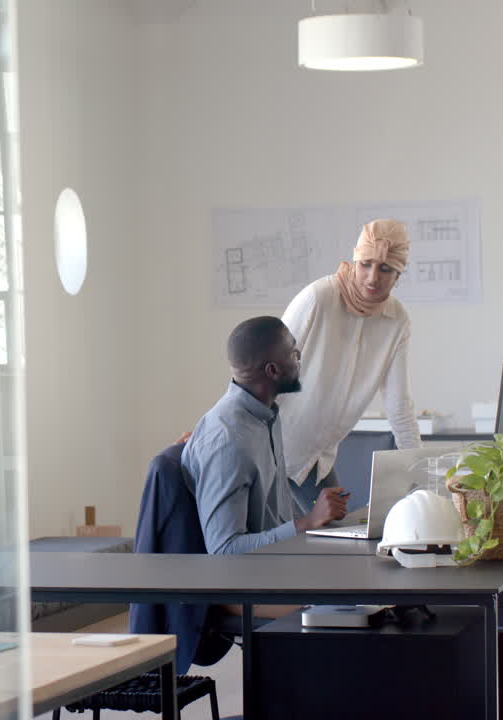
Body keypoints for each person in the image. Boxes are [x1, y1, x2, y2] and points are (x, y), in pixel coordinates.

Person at [279, 218, 422, 515]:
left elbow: (399, 407)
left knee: (338, 537)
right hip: (274, 449)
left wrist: (419, 473)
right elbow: (261, 371)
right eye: (365, 264)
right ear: (353, 261)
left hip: (318, 458)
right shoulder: (318, 298)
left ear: (398, 275)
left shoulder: (397, 321)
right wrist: (221, 428)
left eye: (385, 269)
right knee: (278, 545)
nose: (372, 278)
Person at [181, 316, 349, 556]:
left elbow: (273, 520)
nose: (299, 359)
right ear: (273, 370)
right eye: (294, 354)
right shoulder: (227, 442)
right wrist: (308, 522)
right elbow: (223, 550)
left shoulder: (265, 417)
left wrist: (323, 512)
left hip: (280, 563)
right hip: (254, 582)